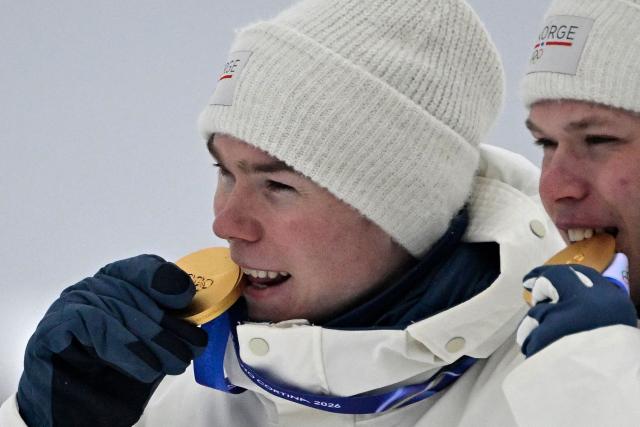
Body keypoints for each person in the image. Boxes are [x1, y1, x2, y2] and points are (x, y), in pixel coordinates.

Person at [0, 0, 564, 426]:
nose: (226, 223)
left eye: (276, 184)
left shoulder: (571, 386)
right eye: (226, 172)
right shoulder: (171, 392)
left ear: (402, 209)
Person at [503, 0, 640, 425]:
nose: (556, 187)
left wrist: (595, 381)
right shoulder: (517, 341)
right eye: (545, 144)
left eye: (599, 140)